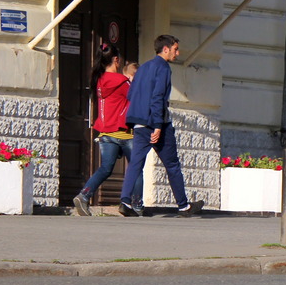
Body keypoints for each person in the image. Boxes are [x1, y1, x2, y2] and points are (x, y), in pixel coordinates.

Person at [119, 34, 204, 217]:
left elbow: (131, 94)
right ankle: (183, 206)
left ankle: (125, 202)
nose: (177, 53)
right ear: (165, 49)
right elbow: (158, 97)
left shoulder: (143, 68)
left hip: (139, 122)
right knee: (172, 165)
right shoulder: (163, 68)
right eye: (175, 49)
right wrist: (157, 125)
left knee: (136, 163)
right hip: (158, 124)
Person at [72, 43, 144, 216]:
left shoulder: (98, 80)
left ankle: (84, 195)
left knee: (105, 168)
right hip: (124, 133)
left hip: (105, 133)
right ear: (116, 60)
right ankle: (136, 205)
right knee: (136, 168)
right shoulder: (121, 81)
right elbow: (137, 99)